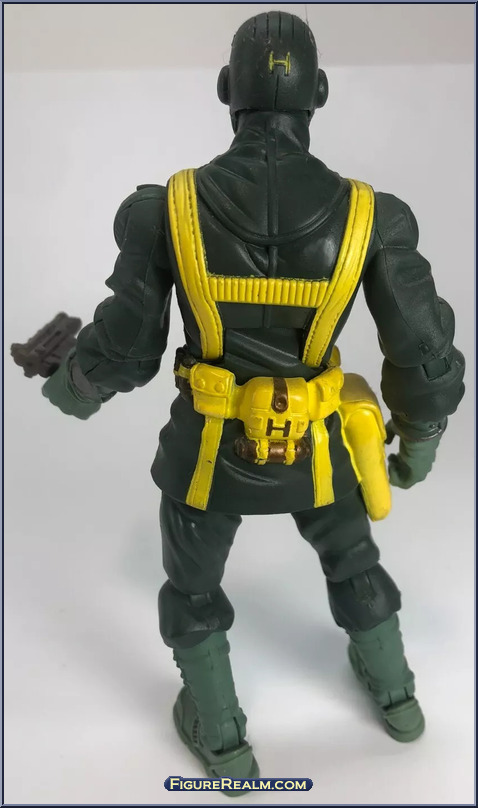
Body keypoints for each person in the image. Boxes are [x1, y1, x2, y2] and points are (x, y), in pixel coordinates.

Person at [42, 11, 465, 785]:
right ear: (320, 92)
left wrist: (71, 389)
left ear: (224, 90)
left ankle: (223, 739)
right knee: (353, 560)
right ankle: (399, 699)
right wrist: (419, 442)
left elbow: (126, 347)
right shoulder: (373, 217)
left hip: (209, 454)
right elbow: (424, 350)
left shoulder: (165, 209)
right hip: (320, 451)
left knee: (192, 589)